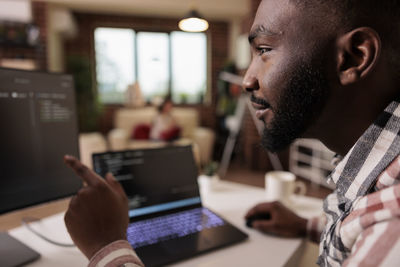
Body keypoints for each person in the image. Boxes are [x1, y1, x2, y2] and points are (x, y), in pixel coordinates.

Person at [63, 0, 400, 266]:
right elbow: (363, 218)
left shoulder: (392, 233)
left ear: (353, 57)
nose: (247, 80)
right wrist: (307, 226)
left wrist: (107, 247)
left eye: (264, 49)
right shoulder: (376, 177)